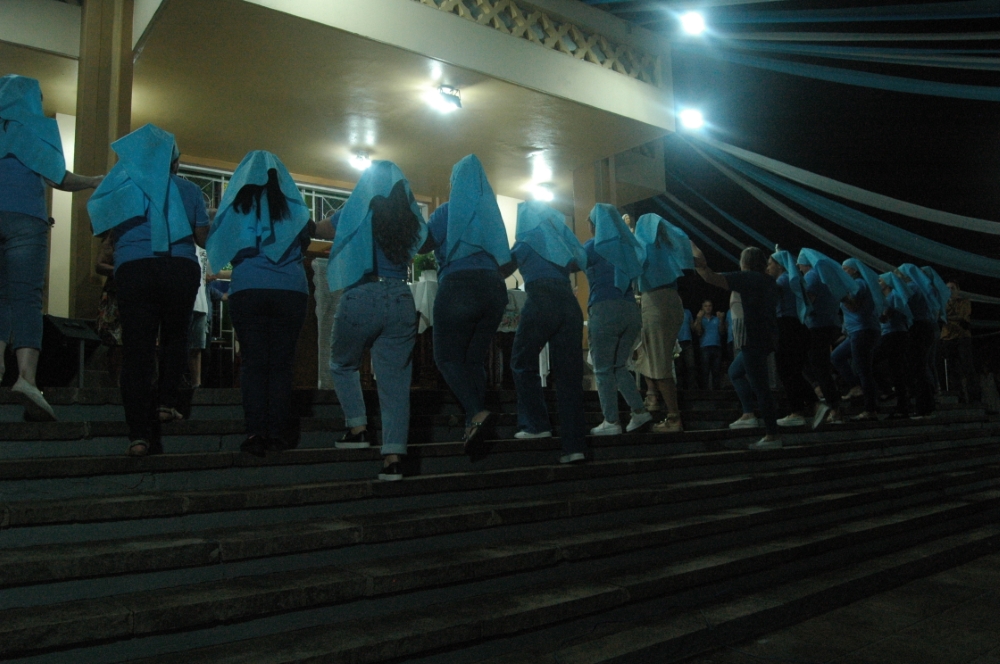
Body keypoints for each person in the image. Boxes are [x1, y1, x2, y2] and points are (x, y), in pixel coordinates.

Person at [87, 124, 208, 455]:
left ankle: (139, 435)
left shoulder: (123, 185)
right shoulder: (189, 190)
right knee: (175, 338)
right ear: (174, 162)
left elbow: (98, 225)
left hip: (135, 268)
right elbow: (202, 238)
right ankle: (166, 403)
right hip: (179, 267)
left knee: (137, 348)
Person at [0, 74, 103, 419]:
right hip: (27, 220)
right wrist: (92, 180)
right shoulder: (38, 128)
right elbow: (57, 176)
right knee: (26, 297)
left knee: (0, 297)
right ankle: (26, 379)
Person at [316, 160, 426, 481]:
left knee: (342, 363)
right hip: (401, 296)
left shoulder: (358, 207)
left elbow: (323, 230)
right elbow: (425, 239)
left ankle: (358, 428)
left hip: (363, 292)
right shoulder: (409, 217)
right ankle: (393, 459)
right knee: (395, 383)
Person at [206, 150, 313, 456]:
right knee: (281, 365)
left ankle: (255, 433)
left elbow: (220, 241)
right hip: (290, 290)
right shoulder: (294, 206)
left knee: (253, 363)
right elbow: (305, 240)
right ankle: (277, 434)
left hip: (248, 288)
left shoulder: (236, 206)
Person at [421, 155, 512, 452]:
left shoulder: (448, 210)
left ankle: (476, 412)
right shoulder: (491, 213)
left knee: (447, 358)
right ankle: (474, 426)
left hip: (460, 285)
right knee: (473, 359)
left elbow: (422, 244)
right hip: (494, 289)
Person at [508, 200, 588, 463]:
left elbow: (502, 267)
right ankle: (574, 447)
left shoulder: (524, 242)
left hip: (541, 299)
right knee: (569, 377)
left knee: (522, 361)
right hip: (569, 304)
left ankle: (536, 424)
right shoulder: (560, 243)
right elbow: (577, 263)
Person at [693, 244, 781, 449]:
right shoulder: (769, 280)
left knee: (761, 387)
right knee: (735, 372)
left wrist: (696, 257)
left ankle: (772, 435)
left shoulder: (748, 278)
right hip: (766, 336)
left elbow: (711, 277)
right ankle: (749, 414)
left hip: (753, 338)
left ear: (745, 262)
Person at [584, 204, 652, 436]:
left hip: (605, 309)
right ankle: (639, 411)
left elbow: (570, 263)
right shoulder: (626, 246)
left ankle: (611, 421)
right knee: (619, 366)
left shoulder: (594, 245)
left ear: (595, 224)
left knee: (603, 369)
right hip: (630, 310)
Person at [633, 213, 693, 433]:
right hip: (673, 300)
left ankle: (674, 417)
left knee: (658, 362)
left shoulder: (643, 247)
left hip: (655, 301)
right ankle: (653, 398)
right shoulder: (668, 246)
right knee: (652, 356)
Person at [796, 249, 859, 428]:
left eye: (800, 265)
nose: (799, 269)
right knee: (820, 365)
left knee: (817, 366)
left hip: (817, 326)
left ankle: (831, 405)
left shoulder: (811, 276)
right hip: (831, 325)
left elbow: (808, 302)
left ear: (806, 263)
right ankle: (830, 400)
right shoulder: (826, 276)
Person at [768, 249, 817, 428]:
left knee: (785, 370)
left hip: (786, 326)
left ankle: (798, 410)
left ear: (779, 266)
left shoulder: (782, 281)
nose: (767, 268)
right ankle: (812, 404)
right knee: (793, 371)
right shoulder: (793, 279)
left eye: (770, 264)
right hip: (798, 326)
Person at [831, 258, 884, 421]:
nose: (842, 272)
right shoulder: (856, 284)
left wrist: (841, 295)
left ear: (854, 270)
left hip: (862, 330)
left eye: (845, 269)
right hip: (858, 331)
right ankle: (856, 387)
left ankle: (870, 408)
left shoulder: (859, 284)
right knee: (837, 356)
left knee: (863, 370)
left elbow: (854, 307)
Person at [898, 264, 938, 419]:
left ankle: (922, 407)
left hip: (917, 328)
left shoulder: (911, 288)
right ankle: (928, 405)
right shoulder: (923, 287)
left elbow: (902, 306)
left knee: (917, 368)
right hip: (927, 327)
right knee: (921, 367)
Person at [875, 271, 913, 418]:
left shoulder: (893, 296)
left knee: (878, 362)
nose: (878, 283)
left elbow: (886, 317)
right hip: (895, 334)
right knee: (896, 369)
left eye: (880, 281)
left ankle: (890, 392)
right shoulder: (891, 297)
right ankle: (902, 403)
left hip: (893, 334)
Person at [940, 279, 981, 404]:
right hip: (947, 337)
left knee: (967, 367)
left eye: (952, 288)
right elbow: (940, 316)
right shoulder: (943, 302)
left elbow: (961, 317)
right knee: (952, 369)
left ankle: (974, 398)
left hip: (962, 337)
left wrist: (947, 317)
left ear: (958, 290)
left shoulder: (964, 301)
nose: (950, 291)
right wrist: (948, 317)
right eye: (947, 288)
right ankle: (959, 397)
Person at [693, 299, 724, 390]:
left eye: (710, 306)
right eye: (705, 306)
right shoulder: (699, 319)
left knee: (716, 371)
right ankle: (705, 393)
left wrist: (721, 320)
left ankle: (717, 392)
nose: (708, 308)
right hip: (705, 347)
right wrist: (699, 319)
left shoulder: (716, 318)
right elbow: (698, 332)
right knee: (705, 371)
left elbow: (722, 332)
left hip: (717, 346)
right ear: (702, 308)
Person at [676, 308, 696, 390]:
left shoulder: (688, 312)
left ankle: (692, 388)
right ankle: (679, 388)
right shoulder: (673, 311)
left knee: (691, 366)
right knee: (678, 367)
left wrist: (698, 319)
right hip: (677, 343)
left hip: (688, 342)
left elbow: (692, 327)